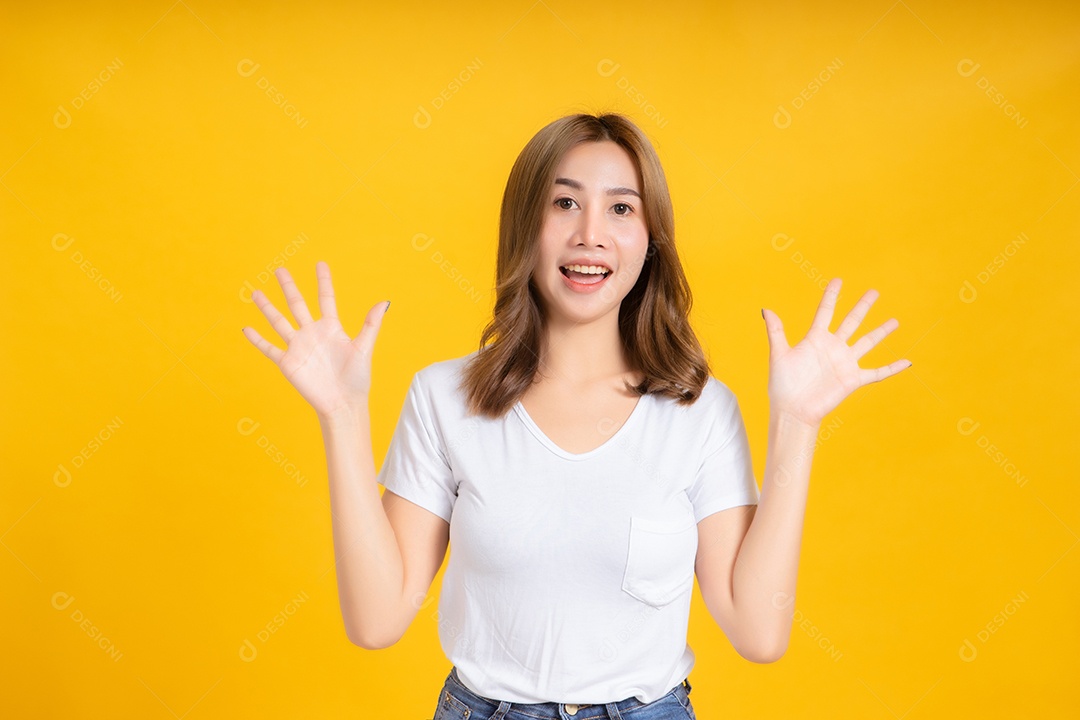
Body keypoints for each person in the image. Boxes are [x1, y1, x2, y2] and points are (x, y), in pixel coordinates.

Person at [241, 112, 910, 720]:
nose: (591, 234)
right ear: (525, 226)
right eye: (564, 203)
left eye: (622, 208)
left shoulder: (700, 410)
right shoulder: (444, 397)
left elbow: (757, 633)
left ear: (651, 240)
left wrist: (797, 423)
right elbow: (377, 620)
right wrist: (343, 414)